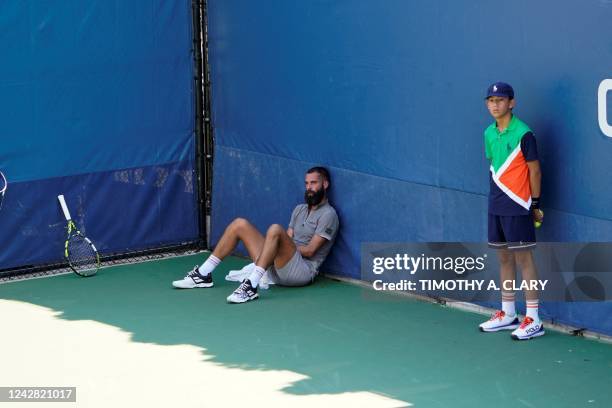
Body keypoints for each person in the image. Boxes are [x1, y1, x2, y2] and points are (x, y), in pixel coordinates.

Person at [172, 166, 339, 304]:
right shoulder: (299, 209)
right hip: (277, 268)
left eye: (314, 183)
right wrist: (274, 248)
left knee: (275, 229)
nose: (309, 187)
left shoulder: (328, 215)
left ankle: (251, 286)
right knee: (239, 224)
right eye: (307, 183)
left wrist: (275, 246)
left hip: (301, 273)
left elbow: (310, 251)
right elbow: (288, 240)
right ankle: (203, 275)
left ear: (325, 184)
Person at [479, 82, 545, 340]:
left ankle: (534, 318)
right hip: (496, 203)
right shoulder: (488, 133)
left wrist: (536, 204)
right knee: (504, 258)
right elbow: (494, 166)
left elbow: (535, 170)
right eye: (491, 100)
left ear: (512, 103)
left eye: (500, 100)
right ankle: (508, 313)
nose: (495, 105)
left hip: (519, 205)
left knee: (524, 259)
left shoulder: (524, 134)